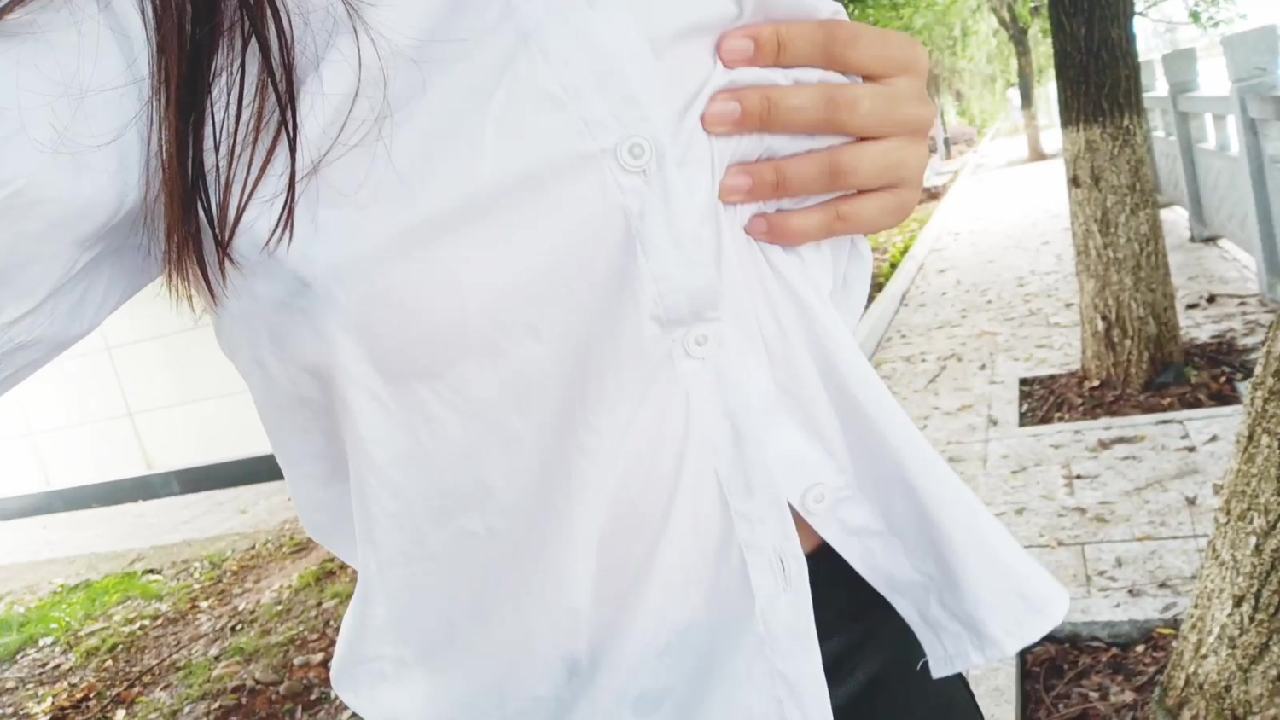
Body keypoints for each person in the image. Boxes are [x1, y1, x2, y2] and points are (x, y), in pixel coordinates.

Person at [0, 1, 1068, 718]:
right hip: (536, 690)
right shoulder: (142, 45)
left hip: (851, 626)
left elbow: (806, 192)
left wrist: (884, 127)